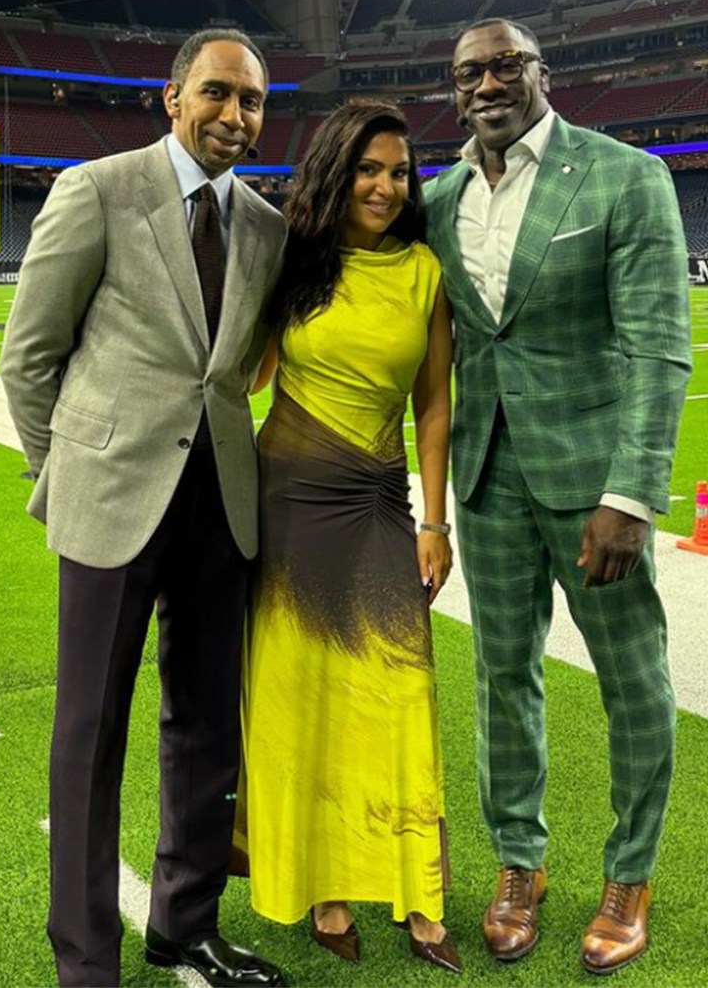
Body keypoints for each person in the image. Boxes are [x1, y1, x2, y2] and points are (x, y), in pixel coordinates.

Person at [0, 28, 286, 988]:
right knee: (89, 731)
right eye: (216, 93)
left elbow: (233, 372)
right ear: (172, 98)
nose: (234, 116)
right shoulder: (98, 189)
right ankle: (85, 957)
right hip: (110, 501)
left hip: (221, 507)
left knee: (207, 724)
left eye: (250, 101)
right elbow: (29, 355)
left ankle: (184, 924)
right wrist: (66, 473)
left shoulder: (266, 224)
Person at [423, 18, 691, 975]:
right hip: (487, 479)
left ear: (543, 72)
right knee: (502, 678)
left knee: (631, 679)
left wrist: (631, 491)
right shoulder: (439, 194)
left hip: (594, 489)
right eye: (469, 72)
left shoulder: (624, 174)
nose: (487, 82)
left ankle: (630, 871)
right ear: (453, 89)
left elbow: (659, 345)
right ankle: (518, 861)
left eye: (505, 64)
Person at [243, 100, 460, 974]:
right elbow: (243, 374)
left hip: (375, 502)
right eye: (368, 168)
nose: (384, 185)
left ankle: (416, 885)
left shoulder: (422, 271)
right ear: (338, 170)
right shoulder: (292, 262)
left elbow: (434, 404)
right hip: (284, 502)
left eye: (399, 171)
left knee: (399, 695)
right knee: (302, 702)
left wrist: (434, 520)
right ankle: (324, 887)